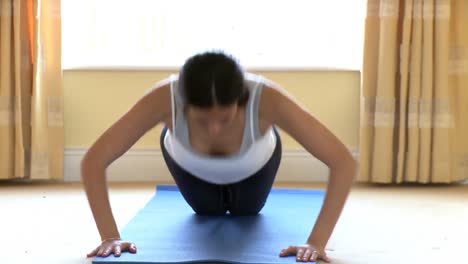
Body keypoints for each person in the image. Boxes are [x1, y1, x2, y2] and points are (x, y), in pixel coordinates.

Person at [81, 51, 357, 263]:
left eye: (224, 118)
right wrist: (110, 236)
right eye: (202, 120)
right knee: (207, 212)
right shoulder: (164, 97)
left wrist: (317, 242)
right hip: (189, 166)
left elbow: (342, 161)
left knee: (247, 212)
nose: (214, 129)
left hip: (255, 165)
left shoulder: (268, 98)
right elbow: (94, 160)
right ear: (184, 103)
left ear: (241, 100)